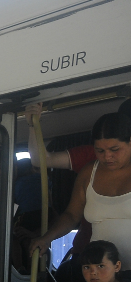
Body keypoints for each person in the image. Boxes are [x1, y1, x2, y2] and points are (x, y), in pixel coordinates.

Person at [29, 111, 131, 265]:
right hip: (98, 272)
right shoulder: (89, 172)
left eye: (114, 149)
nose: (107, 156)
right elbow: (72, 215)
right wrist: (46, 238)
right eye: (100, 151)